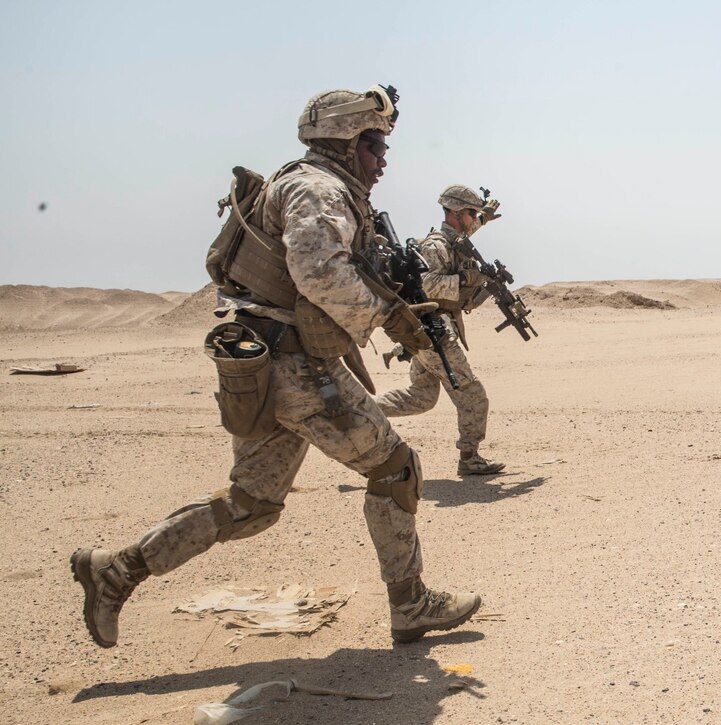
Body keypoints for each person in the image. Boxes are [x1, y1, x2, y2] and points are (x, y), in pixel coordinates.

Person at [69, 86, 481, 649]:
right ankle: (409, 604)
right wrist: (390, 314)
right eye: (374, 144)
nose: (383, 159)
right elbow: (320, 275)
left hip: (266, 360)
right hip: (295, 364)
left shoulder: (318, 186)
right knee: (396, 469)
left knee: (251, 505)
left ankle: (115, 569)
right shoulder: (316, 187)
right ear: (343, 140)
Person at [375, 185, 506, 476]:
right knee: (473, 396)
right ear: (458, 213)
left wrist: (483, 217)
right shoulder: (436, 246)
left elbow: (462, 239)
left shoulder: (453, 240)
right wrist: (468, 277)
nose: (475, 219)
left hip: (427, 332)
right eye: (472, 214)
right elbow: (428, 283)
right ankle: (470, 458)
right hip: (434, 333)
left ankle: (361, 408)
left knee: (420, 397)